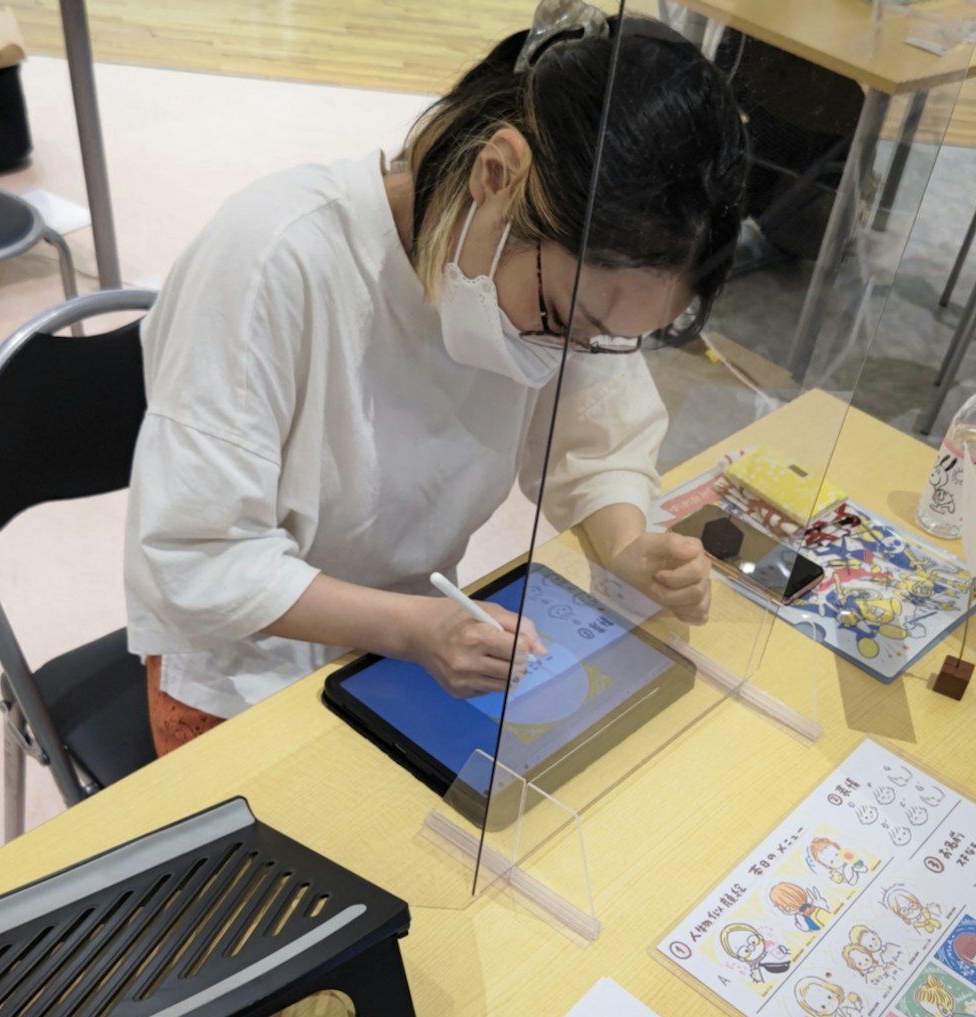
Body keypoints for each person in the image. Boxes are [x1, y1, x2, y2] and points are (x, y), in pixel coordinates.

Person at [124, 3, 749, 755]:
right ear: (497, 175)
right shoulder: (275, 257)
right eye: (563, 318)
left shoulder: (566, 278)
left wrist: (626, 547)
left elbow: (595, 439)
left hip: (411, 649)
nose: (571, 352)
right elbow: (197, 558)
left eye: (606, 340)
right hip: (250, 669)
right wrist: (413, 627)